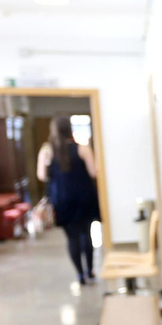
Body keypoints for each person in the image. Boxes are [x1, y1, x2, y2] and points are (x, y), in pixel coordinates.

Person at [37, 115, 101, 284]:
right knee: (86, 234)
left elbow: (42, 175)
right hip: (85, 196)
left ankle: (80, 274)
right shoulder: (83, 148)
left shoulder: (47, 151)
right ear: (70, 130)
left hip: (62, 199)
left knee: (72, 238)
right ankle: (90, 270)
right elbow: (94, 173)